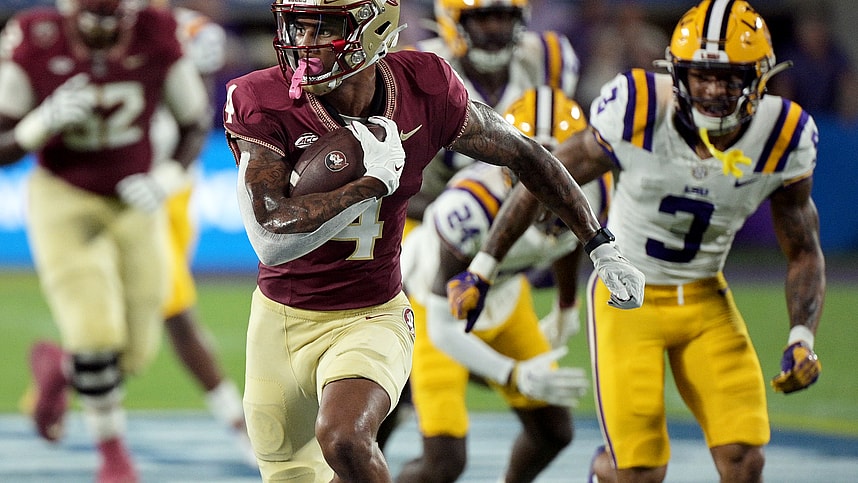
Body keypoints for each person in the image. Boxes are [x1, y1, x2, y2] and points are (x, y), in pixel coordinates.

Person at [221, 0, 644, 480]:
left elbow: (526, 154)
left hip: (370, 313)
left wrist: (600, 243)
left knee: (344, 438)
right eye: (297, 26)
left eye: (323, 27)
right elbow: (270, 238)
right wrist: (367, 187)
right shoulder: (262, 97)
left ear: (374, 27)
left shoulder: (425, 89)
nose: (304, 43)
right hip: (279, 319)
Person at [448, 1, 826, 482]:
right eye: (699, 75)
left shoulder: (785, 135)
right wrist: (483, 267)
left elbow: (804, 246)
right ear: (677, 72)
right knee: (639, 471)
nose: (711, 89)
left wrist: (801, 336)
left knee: (744, 458)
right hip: (628, 300)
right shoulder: (640, 107)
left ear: (758, 78)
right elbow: (545, 177)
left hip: (707, 299)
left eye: (729, 77)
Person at [0, 1, 211, 481]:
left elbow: (194, 121)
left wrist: (168, 176)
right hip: (63, 196)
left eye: (116, 19)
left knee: (135, 352)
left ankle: (59, 368)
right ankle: (113, 456)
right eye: (95, 19)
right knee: (94, 333)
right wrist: (39, 124)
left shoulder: (158, 30)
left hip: (134, 197)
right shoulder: (35, 36)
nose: (106, 31)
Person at [395, 87, 608, 483]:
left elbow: (567, 239)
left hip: (506, 296)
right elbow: (444, 329)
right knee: (444, 462)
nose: (545, 189)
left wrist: (566, 305)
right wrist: (512, 374)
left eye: (560, 174)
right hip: (430, 305)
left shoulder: (594, 191)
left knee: (553, 432)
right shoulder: (468, 207)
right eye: (534, 171)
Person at [149, 0, 256, 467]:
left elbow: (195, 117)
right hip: (129, 186)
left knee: (152, 308)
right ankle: (238, 421)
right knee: (172, 305)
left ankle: (66, 369)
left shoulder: (192, 34)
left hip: (173, 187)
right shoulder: (114, 33)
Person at [405, 0, 580, 227]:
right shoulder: (419, 72)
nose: (495, 29)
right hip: (436, 218)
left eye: (504, 17)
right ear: (452, 20)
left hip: (531, 216)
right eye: (482, 19)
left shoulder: (549, 59)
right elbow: (397, 188)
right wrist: (474, 211)